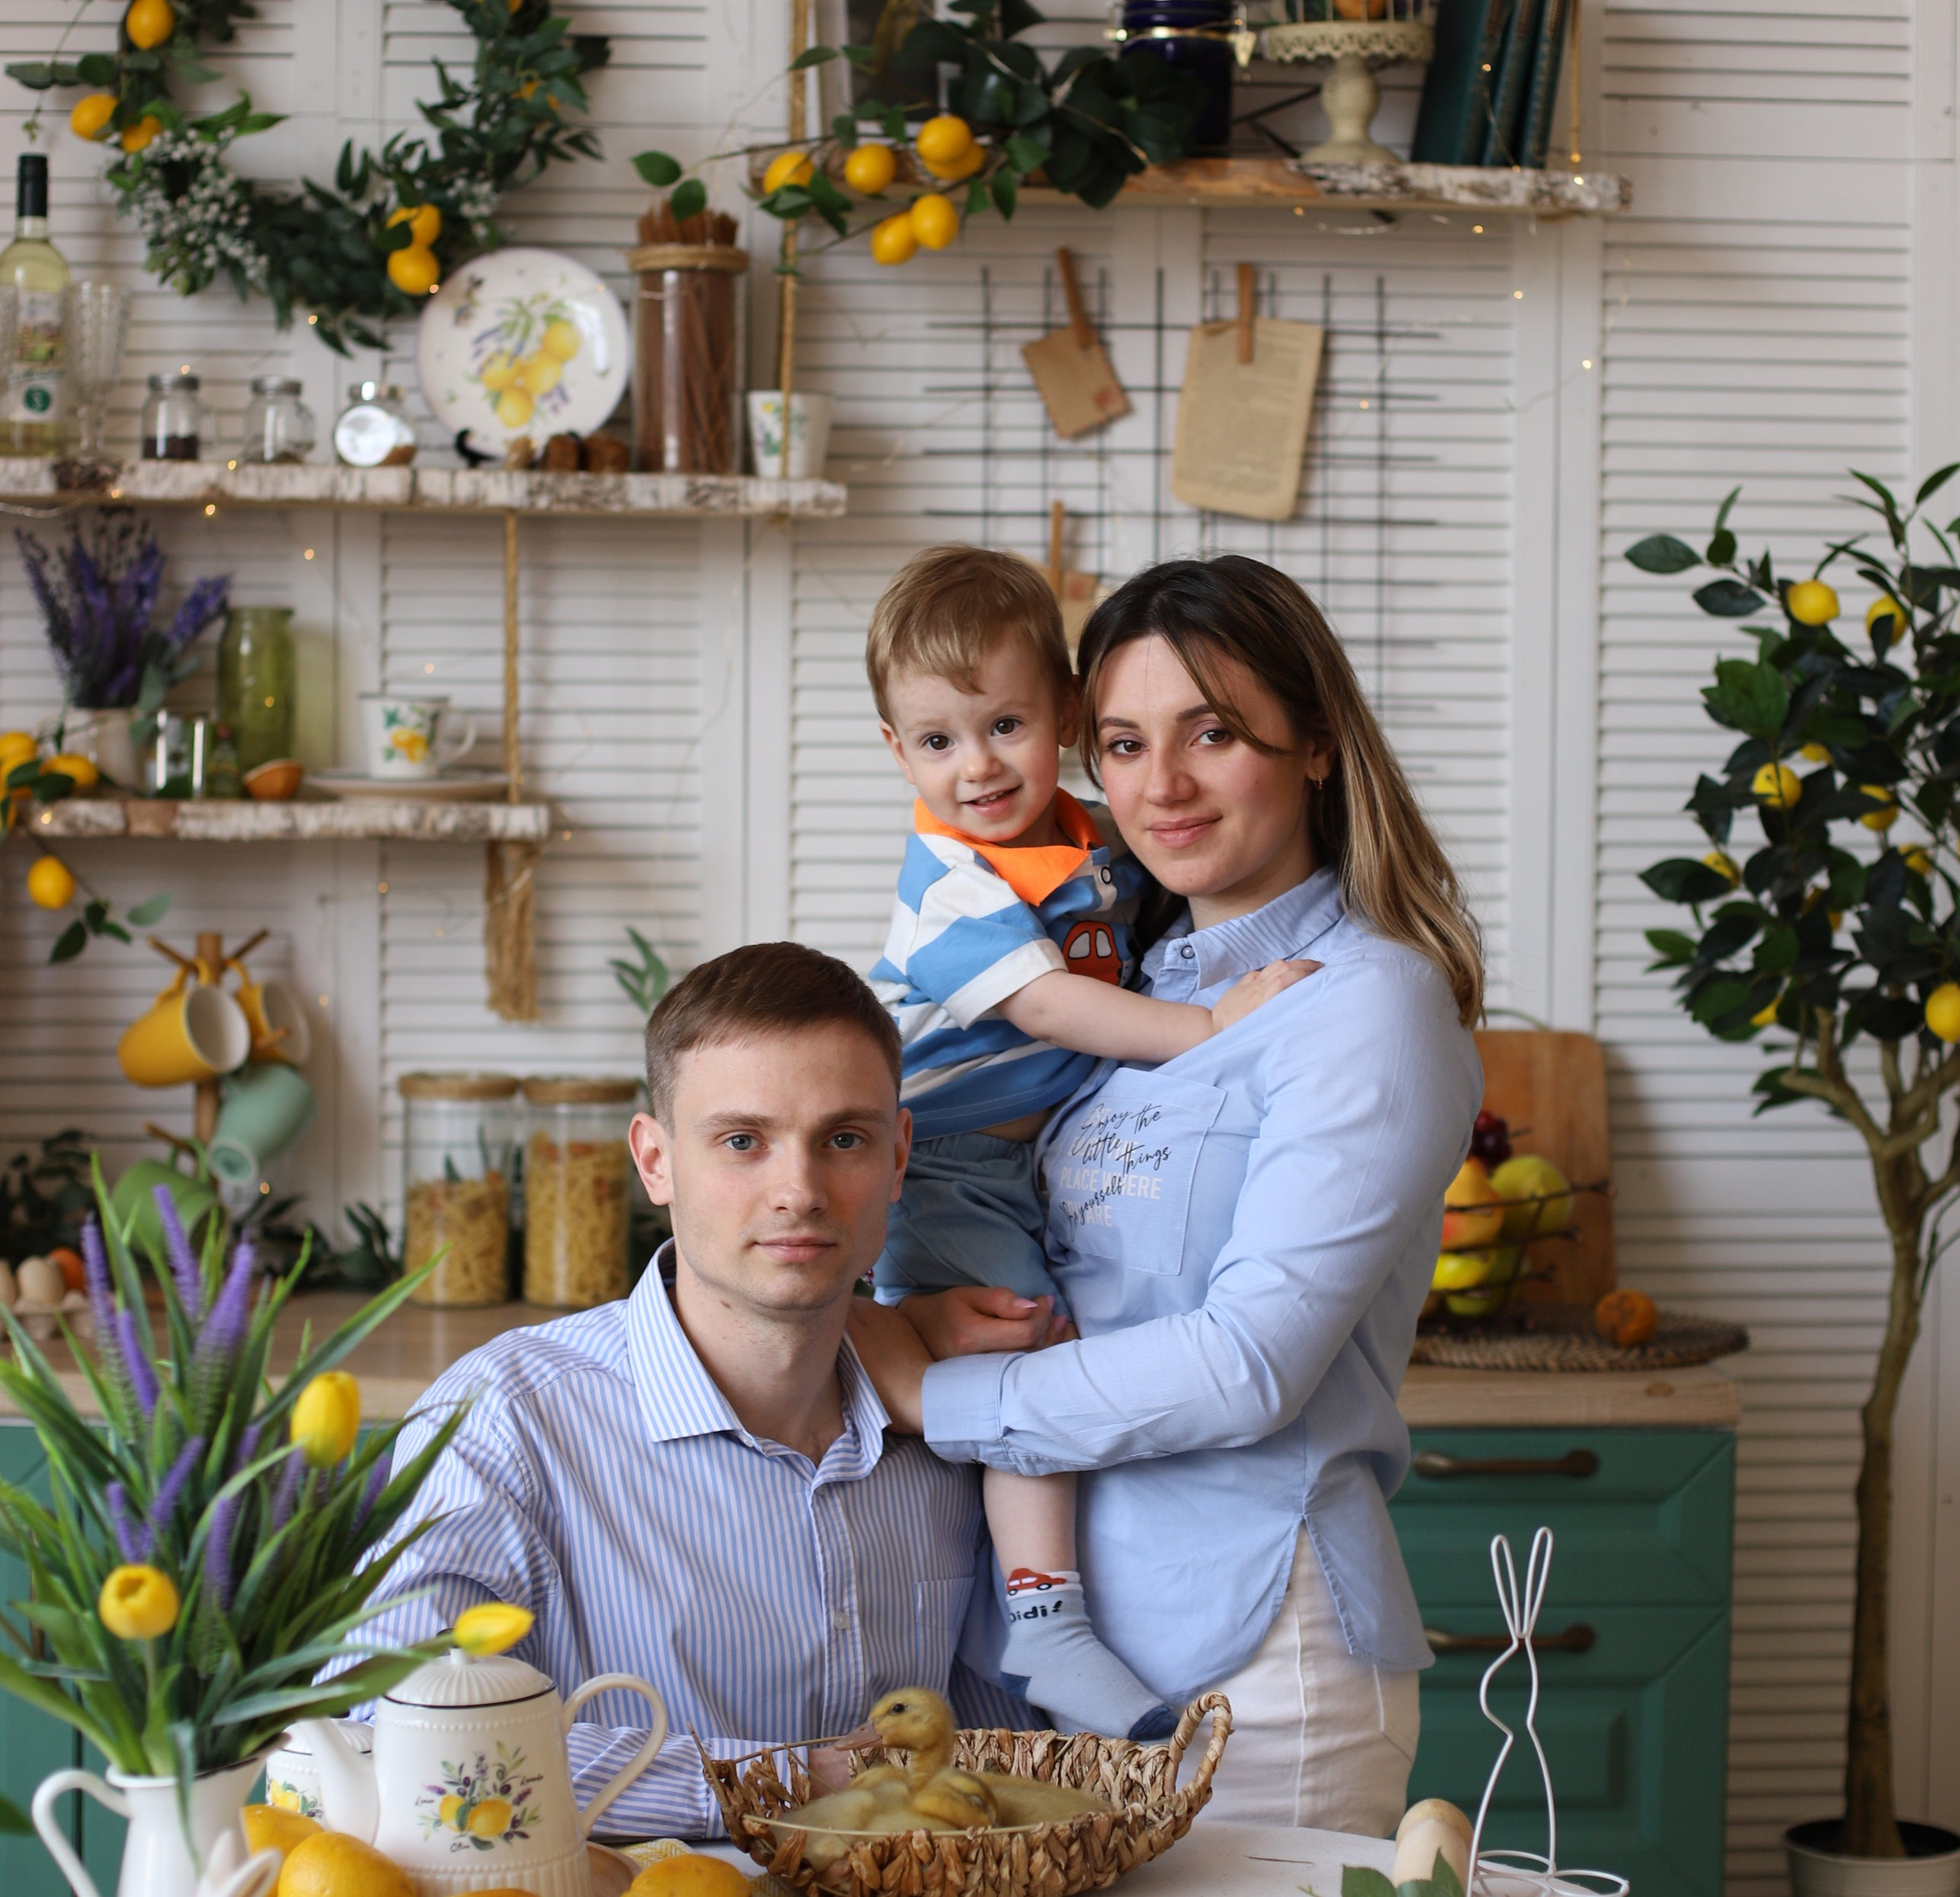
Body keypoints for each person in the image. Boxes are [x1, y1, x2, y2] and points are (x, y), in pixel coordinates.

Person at [848, 554, 1485, 1837]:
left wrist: (934, 1394)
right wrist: (914, 1314)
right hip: (1059, 1661)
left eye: (1214, 734)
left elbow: (1252, 1365)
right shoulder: (1128, 977)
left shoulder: (1370, 1005)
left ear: (1316, 743)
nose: (1161, 787)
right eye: (1127, 744)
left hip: (1253, 1659)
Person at [352, 941, 1028, 1839]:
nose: (799, 1191)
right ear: (655, 1160)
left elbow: (1004, 1745)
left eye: (844, 1139)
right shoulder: (506, 1420)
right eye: (742, 1141)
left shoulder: (953, 1424)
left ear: (898, 1156)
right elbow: (390, 1728)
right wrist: (783, 1783)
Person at [864, 545, 1315, 1741]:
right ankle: (1047, 1618)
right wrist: (1210, 1026)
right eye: (937, 741)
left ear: (1065, 716)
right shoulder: (951, 881)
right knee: (1019, 1361)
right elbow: (1051, 1006)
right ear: (897, 752)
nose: (976, 766)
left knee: (1027, 1346)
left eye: (1005, 725)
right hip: (944, 1165)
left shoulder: (1084, 839)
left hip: (1016, 1162)